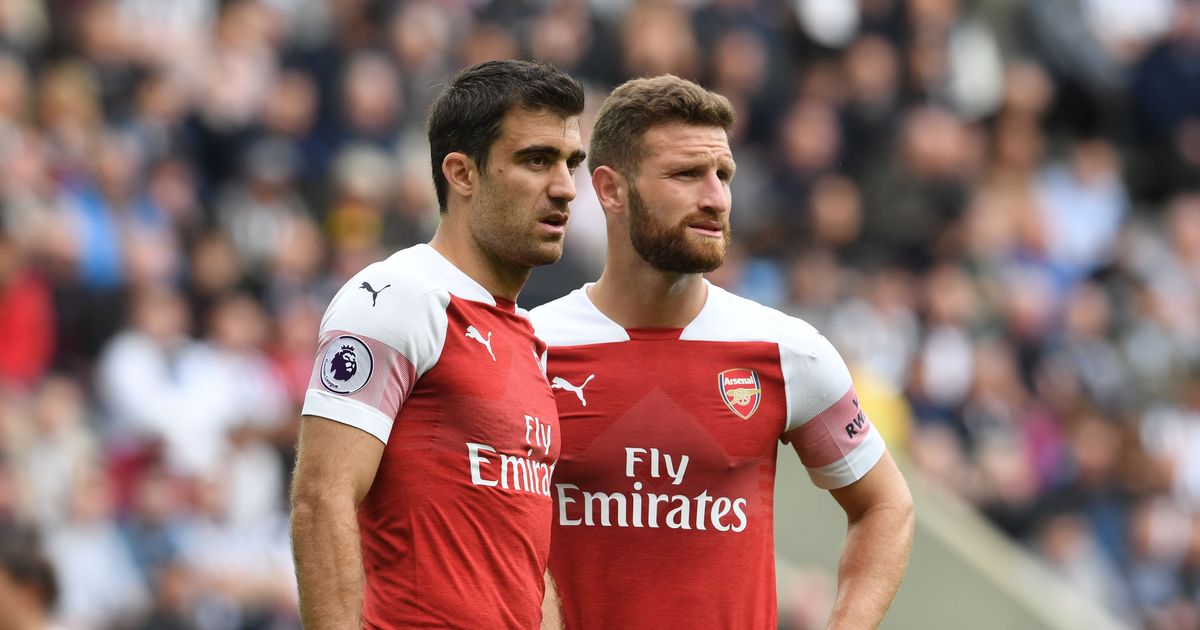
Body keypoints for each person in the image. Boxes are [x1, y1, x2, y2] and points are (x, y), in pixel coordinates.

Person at [529, 75, 914, 629]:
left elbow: (885, 505)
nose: (716, 199)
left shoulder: (786, 351)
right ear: (610, 189)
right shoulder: (534, 349)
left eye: (723, 175)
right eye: (687, 174)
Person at [289, 60, 585, 629]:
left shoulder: (529, 337)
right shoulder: (396, 296)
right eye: (536, 160)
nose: (565, 188)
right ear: (462, 173)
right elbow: (322, 498)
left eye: (570, 163)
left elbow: (524, 559)